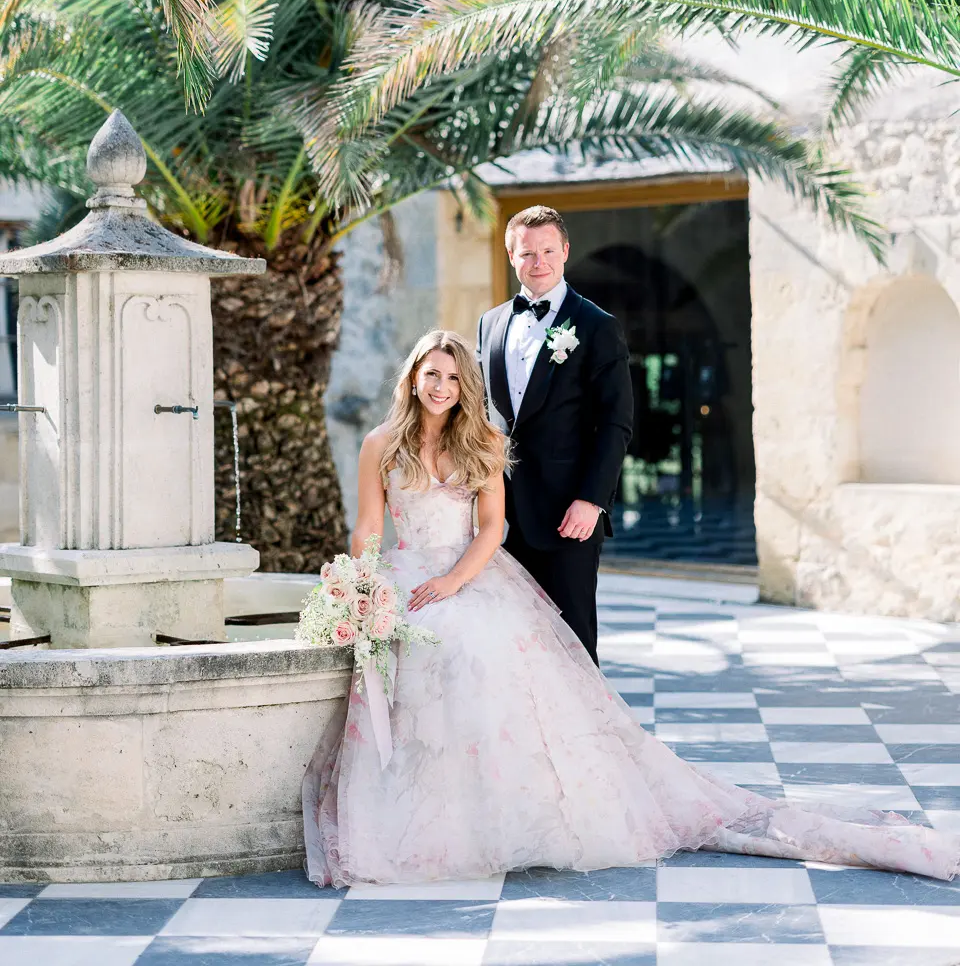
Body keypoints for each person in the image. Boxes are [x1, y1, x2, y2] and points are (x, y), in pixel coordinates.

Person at [303, 329, 960, 887]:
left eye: (451, 375)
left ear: (464, 384)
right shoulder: (380, 445)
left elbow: (491, 529)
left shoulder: (482, 445)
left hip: (467, 575)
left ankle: (511, 811)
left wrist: (451, 585)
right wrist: (362, 590)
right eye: (430, 373)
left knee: (474, 651)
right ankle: (431, 815)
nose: (440, 384)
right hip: (405, 573)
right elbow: (366, 528)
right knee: (411, 658)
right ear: (413, 377)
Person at [476, 205, 633, 663]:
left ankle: (587, 736)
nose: (538, 261)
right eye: (527, 253)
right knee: (513, 643)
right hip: (500, 515)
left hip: (569, 515)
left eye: (548, 250)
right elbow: (487, 415)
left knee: (572, 642)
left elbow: (616, 422)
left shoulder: (597, 326)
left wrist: (592, 498)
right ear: (511, 256)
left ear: (565, 251)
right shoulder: (491, 323)